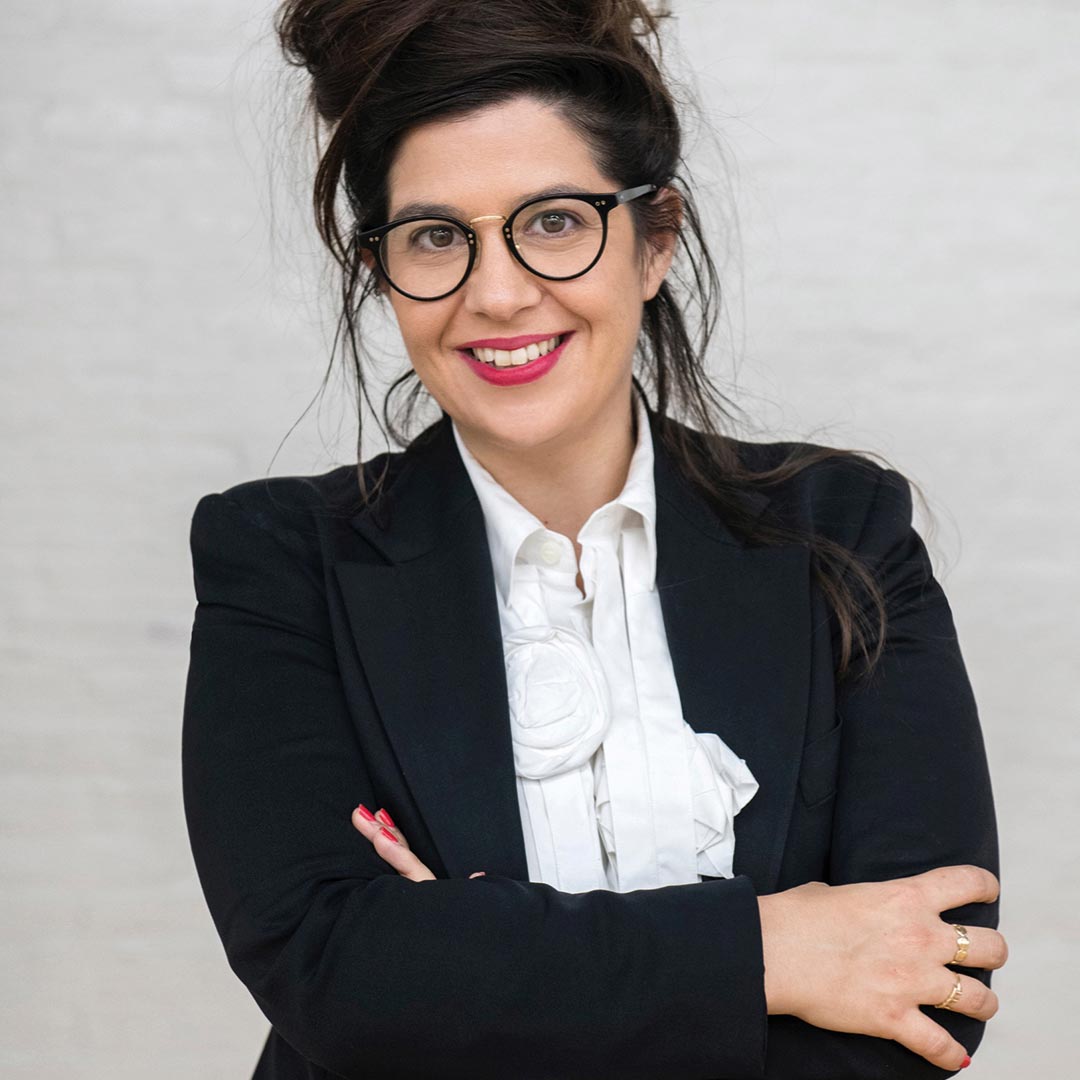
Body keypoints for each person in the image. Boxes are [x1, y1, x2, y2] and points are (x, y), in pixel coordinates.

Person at [180, 2, 1006, 1077]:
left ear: (655, 239)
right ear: (382, 269)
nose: (498, 294)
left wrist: (480, 963)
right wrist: (775, 949)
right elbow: (333, 975)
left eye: (556, 222)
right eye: (435, 237)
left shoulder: (842, 531)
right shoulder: (280, 561)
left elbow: (930, 985)